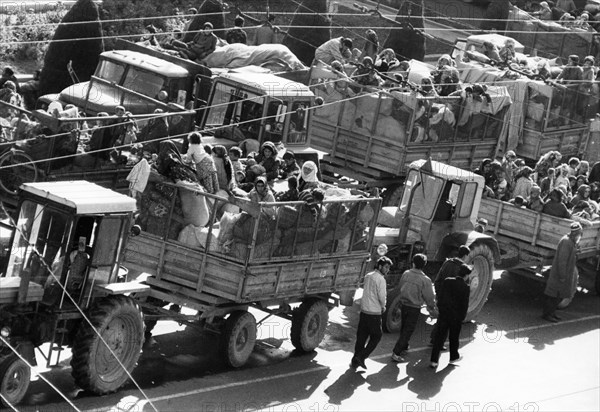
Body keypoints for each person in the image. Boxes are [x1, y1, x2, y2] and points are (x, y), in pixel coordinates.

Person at [391, 254, 437, 362]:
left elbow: (400, 287)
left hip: (403, 305)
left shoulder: (406, 274)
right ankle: (396, 352)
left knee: (404, 327)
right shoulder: (425, 280)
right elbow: (429, 297)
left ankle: (405, 346)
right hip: (414, 307)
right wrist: (431, 307)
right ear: (424, 265)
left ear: (413, 263)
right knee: (408, 330)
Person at [429, 256, 471, 368]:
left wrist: (440, 309)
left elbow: (441, 297)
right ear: (466, 275)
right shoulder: (466, 287)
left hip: (444, 314)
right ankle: (453, 357)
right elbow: (464, 305)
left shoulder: (448, 281)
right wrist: (461, 318)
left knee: (439, 337)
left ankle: (434, 360)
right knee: (454, 338)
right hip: (456, 317)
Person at [352, 256, 392, 369]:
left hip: (364, 311)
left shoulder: (368, 276)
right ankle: (361, 357)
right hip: (374, 313)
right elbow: (382, 297)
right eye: (386, 267)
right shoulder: (381, 280)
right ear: (380, 266)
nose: (387, 270)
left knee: (361, 337)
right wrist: (383, 306)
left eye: (388, 268)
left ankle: (355, 359)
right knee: (377, 336)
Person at [542, 222, 582, 322]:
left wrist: (576, 251)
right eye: (579, 233)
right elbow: (562, 261)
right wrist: (562, 276)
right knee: (553, 295)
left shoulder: (571, 241)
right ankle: (547, 314)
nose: (580, 236)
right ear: (575, 233)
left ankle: (552, 313)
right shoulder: (566, 242)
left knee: (558, 295)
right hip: (559, 274)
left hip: (564, 273)